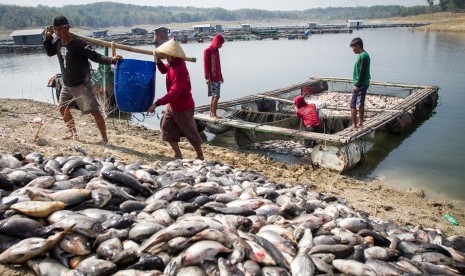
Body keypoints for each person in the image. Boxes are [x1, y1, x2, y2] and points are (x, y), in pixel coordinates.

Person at [43, 15, 122, 144]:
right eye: (55, 30)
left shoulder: (79, 44)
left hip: (81, 85)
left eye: (58, 30)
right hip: (67, 84)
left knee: (94, 111)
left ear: (66, 29)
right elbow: (50, 52)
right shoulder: (58, 42)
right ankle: (73, 134)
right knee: (63, 108)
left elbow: (95, 56)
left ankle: (104, 139)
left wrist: (111, 60)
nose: (56, 33)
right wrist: (47, 38)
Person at [147, 39, 204, 160]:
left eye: (167, 55)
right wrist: (158, 61)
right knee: (167, 129)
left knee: (190, 132)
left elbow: (174, 93)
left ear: (172, 56)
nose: (166, 57)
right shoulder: (173, 64)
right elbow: (163, 70)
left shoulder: (180, 69)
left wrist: (156, 104)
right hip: (172, 106)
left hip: (183, 106)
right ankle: (178, 154)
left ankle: (200, 155)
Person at [349, 37, 370, 130]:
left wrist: (357, 86)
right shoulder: (362, 55)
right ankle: (360, 123)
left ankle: (355, 125)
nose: (352, 50)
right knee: (360, 103)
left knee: (353, 105)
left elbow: (362, 72)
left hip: (360, 85)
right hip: (361, 84)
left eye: (353, 47)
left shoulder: (363, 56)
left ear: (357, 46)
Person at [203, 34, 225, 119]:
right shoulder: (207, 51)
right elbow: (205, 65)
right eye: (220, 44)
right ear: (217, 42)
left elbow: (218, 64)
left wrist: (221, 75)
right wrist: (207, 77)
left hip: (217, 77)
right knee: (216, 96)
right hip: (211, 78)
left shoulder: (216, 51)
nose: (221, 45)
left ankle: (212, 113)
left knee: (214, 96)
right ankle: (214, 114)